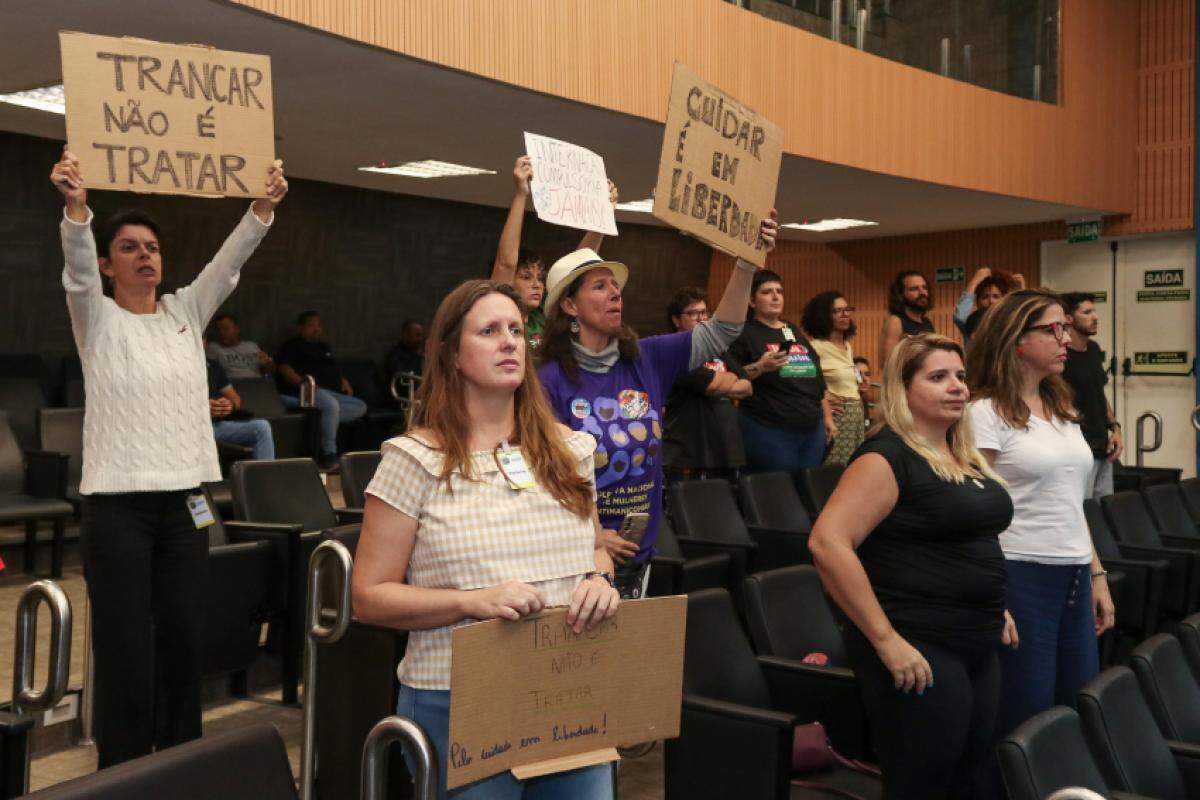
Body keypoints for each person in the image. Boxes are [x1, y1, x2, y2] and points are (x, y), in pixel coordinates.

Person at [51, 146, 287, 767]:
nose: (144, 255)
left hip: (186, 504)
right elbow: (74, 270)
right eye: (128, 247)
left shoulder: (186, 311)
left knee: (184, 639)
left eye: (151, 247)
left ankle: (180, 761)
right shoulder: (95, 318)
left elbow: (228, 265)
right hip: (117, 507)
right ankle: (123, 770)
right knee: (126, 647)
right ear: (107, 265)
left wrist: (261, 207)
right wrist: (77, 210)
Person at [351, 280, 620, 800]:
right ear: (452, 354)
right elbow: (368, 597)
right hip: (459, 697)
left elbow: (595, 550)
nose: (509, 342)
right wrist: (470, 602)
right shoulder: (413, 460)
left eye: (517, 330)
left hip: (567, 688)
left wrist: (601, 580)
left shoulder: (570, 451)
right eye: (490, 330)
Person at [809, 334, 1017, 799]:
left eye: (961, 376)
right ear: (902, 390)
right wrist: (886, 641)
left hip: (976, 637)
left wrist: (994, 604)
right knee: (922, 780)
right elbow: (828, 543)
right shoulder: (885, 457)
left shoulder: (961, 455)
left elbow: (968, 536)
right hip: (919, 645)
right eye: (938, 377)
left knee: (973, 772)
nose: (957, 387)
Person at [538, 215, 779, 596]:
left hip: (639, 549)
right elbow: (543, 476)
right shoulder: (547, 380)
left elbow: (723, 330)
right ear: (569, 304)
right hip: (576, 555)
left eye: (616, 286)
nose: (616, 293)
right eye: (600, 287)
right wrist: (594, 535)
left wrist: (746, 264)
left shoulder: (647, 358)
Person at [966, 289, 1115, 758]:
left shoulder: (1063, 408)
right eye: (1052, 329)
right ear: (1016, 340)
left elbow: (1072, 503)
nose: (1065, 338)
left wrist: (1096, 574)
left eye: (1065, 328)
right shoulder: (984, 414)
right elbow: (974, 516)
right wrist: (992, 597)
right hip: (1019, 576)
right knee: (1023, 716)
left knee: (1075, 711)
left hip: (1071, 575)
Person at [490, 156, 617, 350]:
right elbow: (506, 263)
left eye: (540, 278)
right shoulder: (497, 309)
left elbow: (581, 263)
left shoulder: (543, 315)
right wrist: (521, 194)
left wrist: (603, 216)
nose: (536, 285)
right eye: (526, 277)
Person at [726, 270, 836, 474]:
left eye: (779, 291)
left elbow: (817, 380)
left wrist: (827, 417)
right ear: (751, 301)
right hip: (769, 428)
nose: (776, 297)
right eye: (767, 292)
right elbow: (732, 378)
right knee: (778, 493)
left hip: (811, 428)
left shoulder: (792, 330)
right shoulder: (744, 333)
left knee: (807, 491)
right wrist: (761, 366)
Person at [661, 287, 751, 482]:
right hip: (690, 452)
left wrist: (720, 382)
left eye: (704, 312)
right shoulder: (674, 351)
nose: (701, 319)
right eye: (693, 313)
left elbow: (747, 386)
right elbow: (711, 385)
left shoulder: (718, 348)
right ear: (676, 320)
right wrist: (727, 380)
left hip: (727, 449)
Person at [276, 310, 368, 470]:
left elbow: (333, 368)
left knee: (360, 406)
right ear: (301, 328)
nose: (316, 329)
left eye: (318, 325)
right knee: (331, 406)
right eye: (311, 325)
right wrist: (302, 383)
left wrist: (343, 380)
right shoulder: (293, 345)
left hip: (331, 393)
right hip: (307, 392)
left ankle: (321, 421)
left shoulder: (323, 347)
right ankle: (329, 454)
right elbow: (284, 368)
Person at [1061, 292, 1122, 499]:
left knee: (1104, 514)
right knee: (1083, 511)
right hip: (1078, 450)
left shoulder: (1093, 349)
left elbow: (1099, 393)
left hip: (1103, 448)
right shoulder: (1060, 357)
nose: (1095, 317)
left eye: (1094, 311)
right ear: (1068, 318)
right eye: (1087, 312)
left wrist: (1115, 428)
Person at [803, 291, 864, 464]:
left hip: (855, 416)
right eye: (837, 311)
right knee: (834, 471)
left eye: (847, 309)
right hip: (836, 418)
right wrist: (824, 401)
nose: (845, 314)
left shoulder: (847, 346)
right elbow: (801, 383)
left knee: (855, 468)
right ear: (823, 316)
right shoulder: (815, 347)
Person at [207, 356, 275, 460]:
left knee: (261, 427)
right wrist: (203, 408)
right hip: (194, 428)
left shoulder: (211, 365)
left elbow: (235, 399)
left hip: (216, 425)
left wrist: (229, 406)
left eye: (204, 339)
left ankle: (265, 476)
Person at [952, 268, 1024, 343]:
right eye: (985, 297)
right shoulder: (972, 322)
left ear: (1003, 299)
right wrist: (975, 281)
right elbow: (960, 317)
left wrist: (1022, 292)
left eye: (996, 296)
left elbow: (1025, 317)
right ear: (977, 301)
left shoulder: (1009, 320)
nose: (991, 301)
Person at [879, 270, 934, 368]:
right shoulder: (895, 321)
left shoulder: (927, 322)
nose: (922, 292)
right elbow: (887, 364)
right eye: (914, 289)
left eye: (924, 287)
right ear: (901, 295)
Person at [206, 312, 275, 379]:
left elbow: (268, 372)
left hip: (256, 382)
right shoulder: (213, 348)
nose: (221, 332)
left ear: (237, 329)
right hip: (231, 384)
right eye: (218, 330)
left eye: (225, 328)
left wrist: (267, 364)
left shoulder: (251, 345)